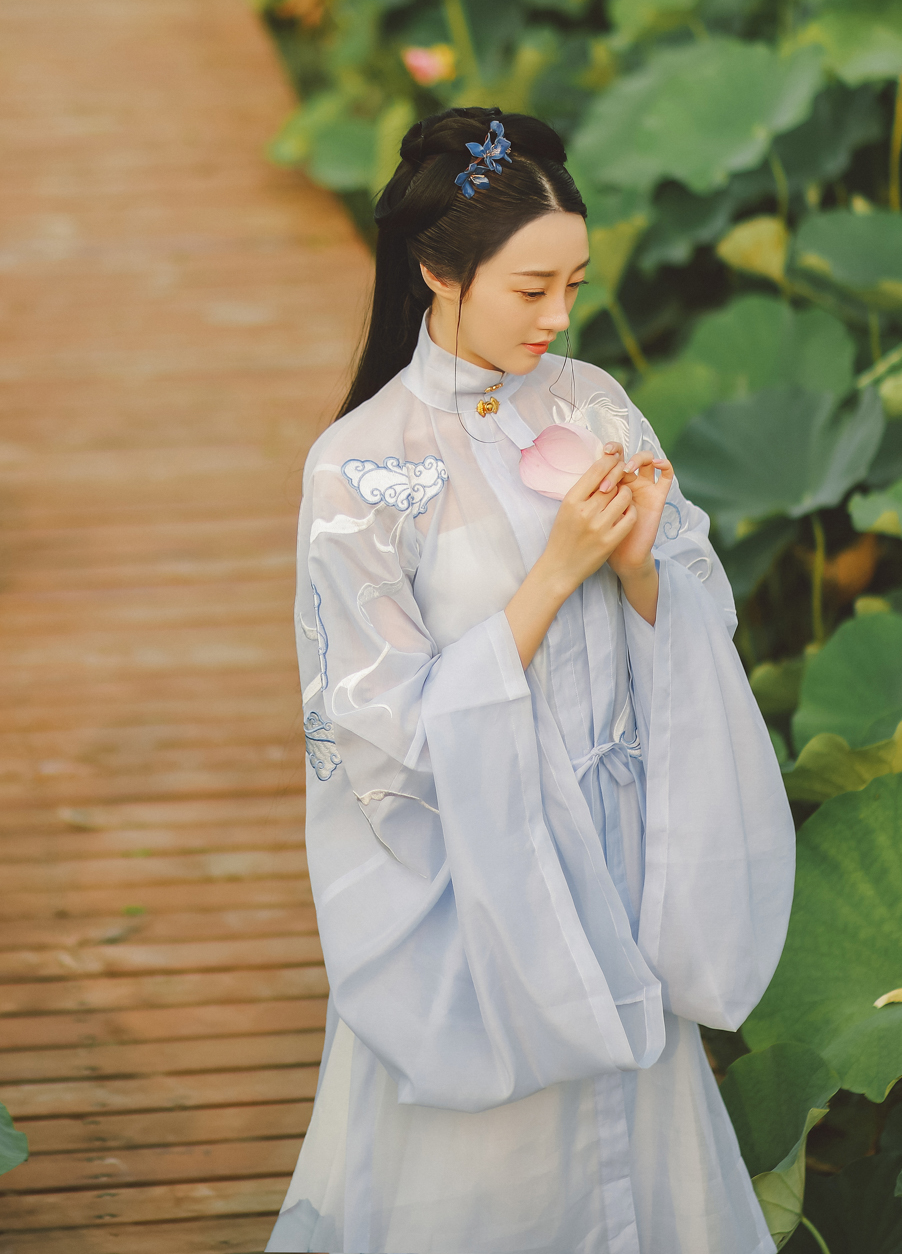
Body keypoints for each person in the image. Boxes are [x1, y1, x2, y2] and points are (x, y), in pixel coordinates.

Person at [265, 107, 798, 1254]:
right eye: (529, 289)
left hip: (611, 853)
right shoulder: (360, 467)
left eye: (575, 283)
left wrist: (643, 564)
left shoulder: (590, 401)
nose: (558, 317)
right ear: (434, 272)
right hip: (484, 881)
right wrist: (549, 578)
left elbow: (695, 614)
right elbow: (376, 737)